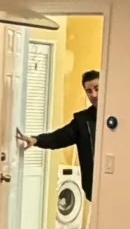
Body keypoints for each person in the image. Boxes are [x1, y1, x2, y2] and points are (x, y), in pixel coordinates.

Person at [15, 67, 100, 201]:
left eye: (97, 88)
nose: (94, 95)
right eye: (89, 91)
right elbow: (60, 137)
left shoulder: (118, 116)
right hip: (94, 191)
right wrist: (36, 140)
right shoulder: (83, 121)